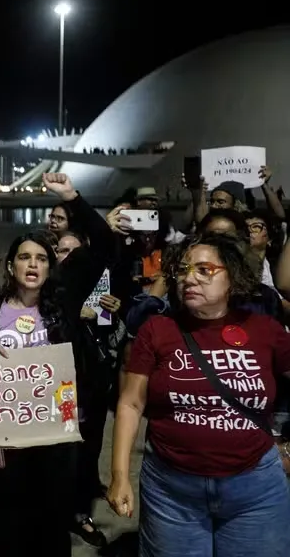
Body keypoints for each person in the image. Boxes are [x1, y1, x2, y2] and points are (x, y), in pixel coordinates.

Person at [109, 232, 290, 556]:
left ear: (232, 276)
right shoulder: (158, 330)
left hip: (255, 490)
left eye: (204, 270)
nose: (189, 279)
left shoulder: (265, 330)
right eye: (182, 271)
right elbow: (131, 403)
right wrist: (119, 475)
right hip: (171, 491)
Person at [0, 173, 114, 557]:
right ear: (11, 266)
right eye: (24, 257)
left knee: (51, 527)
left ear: (51, 267)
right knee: (8, 524)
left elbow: (103, 245)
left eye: (41, 258)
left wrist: (72, 198)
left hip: (56, 435)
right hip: (6, 437)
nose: (32, 264)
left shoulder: (64, 304)